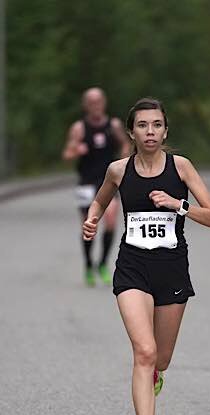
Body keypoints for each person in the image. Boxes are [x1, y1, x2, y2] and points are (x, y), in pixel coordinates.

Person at [82, 97, 210, 415]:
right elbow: (99, 202)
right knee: (143, 352)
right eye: (143, 125)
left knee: (160, 358)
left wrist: (178, 205)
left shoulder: (182, 167)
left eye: (157, 125)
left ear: (165, 130)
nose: (150, 132)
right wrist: (93, 220)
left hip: (172, 271)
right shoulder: (118, 170)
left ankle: (156, 374)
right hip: (132, 269)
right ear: (131, 131)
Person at [62, 87, 130, 286]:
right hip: (86, 182)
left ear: (104, 102)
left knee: (110, 220)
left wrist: (124, 159)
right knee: (89, 224)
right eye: (91, 103)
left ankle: (102, 263)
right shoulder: (79, 128)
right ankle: (88, 264)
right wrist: (76, 150)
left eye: (99, 101)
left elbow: (125, 144)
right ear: (85, 106)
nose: (96, 106)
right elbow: (67, 154)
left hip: (108, 181)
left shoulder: (114, 125)